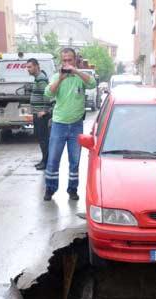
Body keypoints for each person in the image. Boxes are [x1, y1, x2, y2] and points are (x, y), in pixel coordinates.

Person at [43, 47, 96, 202]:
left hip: (76, 126)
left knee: (75, 160)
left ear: (75, 60)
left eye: (70, 60)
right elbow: (48, 93)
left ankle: (72, 190)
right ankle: (50, 189)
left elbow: (92, 83)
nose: (67, 63)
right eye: (64, 60)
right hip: (59, 125)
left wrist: (76, 71)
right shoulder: (56, 77)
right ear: (61, 61)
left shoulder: (81, 77)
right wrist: (60, 78)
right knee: (53, 159)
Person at [26, 58, 52, 170]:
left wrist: (45, 110)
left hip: (42, 115)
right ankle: (44, 160)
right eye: (27, 67)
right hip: (37, 113)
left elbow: (47, 94)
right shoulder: (37, 78)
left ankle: (46, 162)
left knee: (43, 139)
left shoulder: (41, 78)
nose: (28, 69)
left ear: (36, 66)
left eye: (30, 67)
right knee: (41, 138)